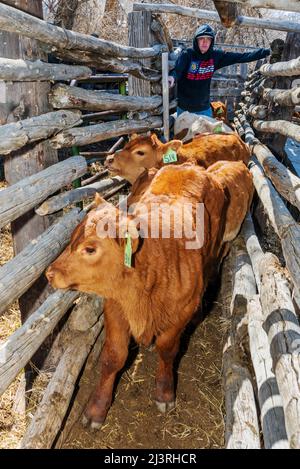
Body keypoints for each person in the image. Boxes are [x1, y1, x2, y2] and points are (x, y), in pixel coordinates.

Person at [168, 24, 270, 117]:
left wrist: (266, 52)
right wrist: (172, 77)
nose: (205, 42)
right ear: (196, 40)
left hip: (204, 108)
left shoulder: (215, 56)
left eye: (208, 39)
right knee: (183, 137)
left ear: (211, 42)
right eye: (201, 39)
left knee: (209, 136)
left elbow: (241, 57)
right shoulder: (187, 55)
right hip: (185, 109)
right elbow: (177, 70)